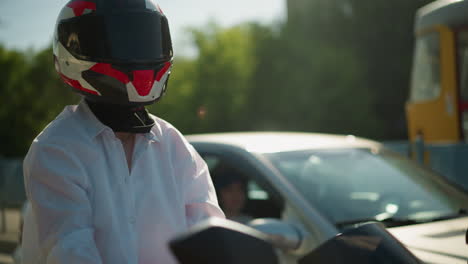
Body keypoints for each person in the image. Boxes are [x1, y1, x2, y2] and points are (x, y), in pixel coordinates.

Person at [21, 1, 225, 263]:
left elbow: (210, 238)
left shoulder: (174, 145)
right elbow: (70, 249)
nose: (135, 56)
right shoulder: (56, 148)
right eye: (119, 42)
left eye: (144, 41)